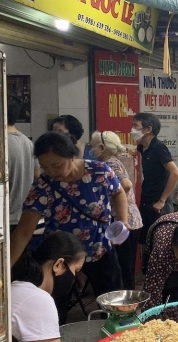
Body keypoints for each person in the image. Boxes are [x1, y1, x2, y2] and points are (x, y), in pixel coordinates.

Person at [10, 132, 128, 322]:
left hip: (100, 248)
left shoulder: (99, 171)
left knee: (114, 304)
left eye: (56, 165)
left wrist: (122, 221)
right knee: (55, 309)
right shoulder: (43, 186)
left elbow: (119, 192)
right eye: (45, 166)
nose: (51, 171)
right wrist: (6, 268)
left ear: (72, 155)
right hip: (61, 259)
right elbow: (23, 231)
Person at [11, 231, 85, 342]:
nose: (75, 278)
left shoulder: (15, 289)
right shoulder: (37, 299)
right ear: (58, 265)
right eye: (76, 270)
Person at [89, 131, 143, 291]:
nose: (90, 149)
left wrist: (113, 200)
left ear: (101, 147)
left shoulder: (109, 164)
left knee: (122, 269)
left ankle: (125, 304)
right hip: (126, 220)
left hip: (123, 221)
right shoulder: (111, 162)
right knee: (124, 268)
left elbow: (126, 185)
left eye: (92, 146)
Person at [132, 113, 178, 262]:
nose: (132, 129)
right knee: (149, 240)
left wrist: (162, 200)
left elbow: (175, 173)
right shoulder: (142, 148)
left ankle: (166, 279)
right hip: (147, 199)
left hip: (159, 204)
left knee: (162, 242)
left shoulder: (158, 147)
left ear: (148, 129)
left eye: (136, 126)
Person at [7, 95, 38, 232]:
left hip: (4, 221)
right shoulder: (28, 143)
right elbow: (37, 175)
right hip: (21, 220)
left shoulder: (3, 144)